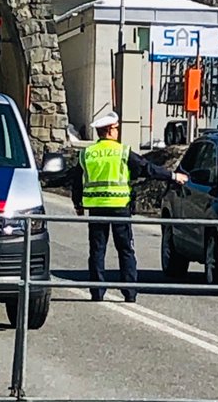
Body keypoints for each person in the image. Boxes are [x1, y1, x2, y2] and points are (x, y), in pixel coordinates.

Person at [71, 112, 187, 302]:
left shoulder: (87, 153)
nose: (118, 131)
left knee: (97, 250)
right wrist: (173, 176)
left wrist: (78, 204)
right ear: (109, 130)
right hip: (119, 206)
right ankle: (129, 292)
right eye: (116, 128)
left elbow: (77, 181)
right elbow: (147, 168)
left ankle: (97, 292)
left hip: (96, 207)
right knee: (125, 249)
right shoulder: (122, 152)